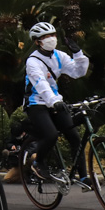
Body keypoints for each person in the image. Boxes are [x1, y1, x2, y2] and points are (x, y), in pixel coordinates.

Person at [23, 22, 89, 181]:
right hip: (36, 103)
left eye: (53, 35)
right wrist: (53, 101)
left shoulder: (59, 55)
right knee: (51, 135)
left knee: (74, 136)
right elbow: (41, 84)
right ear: (37, 41)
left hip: (55, 101)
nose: (51, 39)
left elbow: (78, 72)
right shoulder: (33, 61)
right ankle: (38, 162)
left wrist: (78, 54)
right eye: (46, 37)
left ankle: (84, 177)